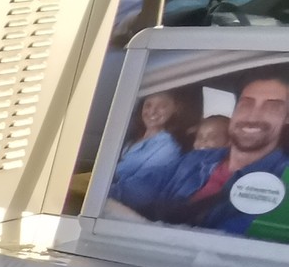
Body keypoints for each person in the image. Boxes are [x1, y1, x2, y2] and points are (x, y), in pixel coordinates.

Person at [126, 74, 289, 234]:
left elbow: (229, 244)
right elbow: (132, 190)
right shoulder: (196, 159)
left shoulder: (283, 179)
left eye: (272, 107)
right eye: (246, 104)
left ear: (286, 118)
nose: (253, 116)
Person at [109, 88, 198, 212]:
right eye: (148, 105)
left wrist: (99, 190)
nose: (152, 111)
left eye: (162, 106)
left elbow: (138, 192)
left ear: (176, 109)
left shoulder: (168, 147)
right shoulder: (133, 136)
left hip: (119, 205)